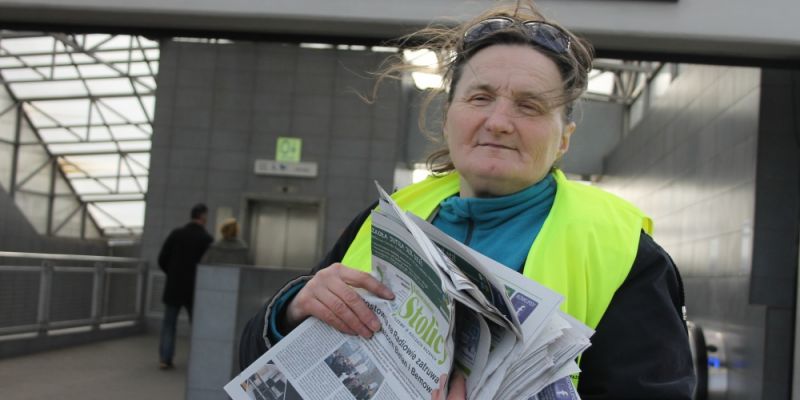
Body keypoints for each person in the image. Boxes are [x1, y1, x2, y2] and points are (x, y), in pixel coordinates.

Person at [239, 1, 695, 398]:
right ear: (450, 115)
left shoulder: (625, 253)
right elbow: (258, 365)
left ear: (564, 140)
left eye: (529, 106)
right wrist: (291, 310)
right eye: (480, 97)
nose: (498, 121)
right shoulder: (387, 218)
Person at [157, 203, 213, 369]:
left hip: (174, 287)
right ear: (202, 216)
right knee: (196, 326)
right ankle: (197, 359)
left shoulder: (176, 234)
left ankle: (165, 359)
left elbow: (162, 258)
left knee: (169, 325)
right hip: (195, 289)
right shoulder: (206, 239)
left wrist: (172, 274)